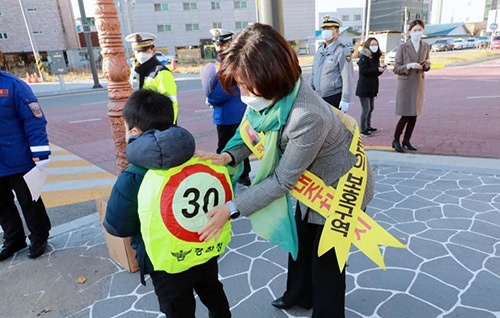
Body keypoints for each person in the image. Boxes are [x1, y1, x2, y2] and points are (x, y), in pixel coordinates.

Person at [196, 23, 375, 318]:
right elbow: (254, 136)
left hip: (340, 188)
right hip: (310, 180)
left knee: (327, 258)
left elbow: (281, 181)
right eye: (239, 84)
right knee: (301, 241)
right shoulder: (272, 99)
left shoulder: (306, 115)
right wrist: (228, 156)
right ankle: (299, 296)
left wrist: (231, 208)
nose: (242, 93)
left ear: (271, 75)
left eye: (244, 84)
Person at [104, 89, 231, 318]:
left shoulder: (133, 176)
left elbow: (117, 226)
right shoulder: (199, 159)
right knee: (213, 291)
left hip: (164, 260)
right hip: (203, 247)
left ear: (133, 132)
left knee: (177, 308)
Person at [0, 70, 52, 261]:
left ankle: (39, 236)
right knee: (2, 205)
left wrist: (40, 152)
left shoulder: (13, 85)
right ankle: (14, 239)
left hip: (19, 158)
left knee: (30, 201)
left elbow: (34, 120)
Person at [204, 28, 251, 186]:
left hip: (228, 115)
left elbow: (223, 91)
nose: (220, 47)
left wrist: (210, 98)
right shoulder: (233, 60)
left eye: (223, 43)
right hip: (238, 112)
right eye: (217, 43)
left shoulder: (228, 62)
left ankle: (226, 176)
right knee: (242, 143)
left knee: (227, 146)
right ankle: (244, 175)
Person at [391, 19, 431, 152]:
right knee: (406, 114)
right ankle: (396, 139)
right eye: (414, 30)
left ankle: (407, 139)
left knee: (415, 114)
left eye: (420, 30)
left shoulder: (425, 46)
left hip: (418, 82)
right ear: (409, 32)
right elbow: (396, 68)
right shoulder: (403, 47)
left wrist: (427, 65)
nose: (417, 33)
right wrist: (409, 65)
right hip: (406, 84)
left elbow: (426, 66)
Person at [125, 32, 179, 123]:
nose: (141, 54)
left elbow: (171, 103)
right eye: (138, 51)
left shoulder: (162, 72)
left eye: (145, 50)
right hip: (143, 124)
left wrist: (169, 127)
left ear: (153, 50)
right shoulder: (137, 71)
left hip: (158, 127)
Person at [311, 16, 354, 113]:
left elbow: (347, 77)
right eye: (325, 29)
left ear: (337, 31)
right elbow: (314, 71)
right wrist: (311, 90)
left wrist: (345, 99)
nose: (326, 31)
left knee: (336, 126)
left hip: (334, 97)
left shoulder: (342, 51)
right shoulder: (320, 50)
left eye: (329, 29)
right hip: (319, 97)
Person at [355, 37, 387, 137]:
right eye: (372, 44)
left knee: (371, 108)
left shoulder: (375, 57)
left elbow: (375, 73)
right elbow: (364, 71)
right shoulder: (364, 57)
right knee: (366, 109)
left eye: (376, 44)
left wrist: (380, 70)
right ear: (368, 45)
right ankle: (363, 129)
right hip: (364, 88)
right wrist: (376, 69)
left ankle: (368, 126)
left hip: (372, 87)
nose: (375, 46)